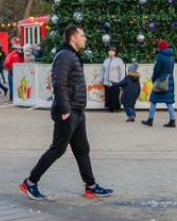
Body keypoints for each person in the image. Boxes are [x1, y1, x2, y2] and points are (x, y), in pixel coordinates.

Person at [20, 25, 113, 201]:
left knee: (82, 149)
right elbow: (59, 83)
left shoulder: (72, 56)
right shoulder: (64, 56)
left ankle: (90, 186)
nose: (85, 38)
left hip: (76, 110)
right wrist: (64, 110)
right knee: (57, 149)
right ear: (73, 38)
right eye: (82, 35)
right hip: (67, 110)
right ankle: (30, 182)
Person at [142, 40, 176, 128]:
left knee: (153, 100)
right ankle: (172, 121)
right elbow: (171, 69)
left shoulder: (160, 56)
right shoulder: (172, 56)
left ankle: (150, 120)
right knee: (169, 102)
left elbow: (157, 70)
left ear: (159, 47)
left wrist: (152, 80)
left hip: (160, 80)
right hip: (169, 79)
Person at [101, 47, 125, 113]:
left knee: (115, 95)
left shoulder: (119, 60)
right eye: (109, 50)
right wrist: (101, 79)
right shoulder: (106, 60)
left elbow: (122, 71)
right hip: (106, 81)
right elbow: (102, 71)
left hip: (116, 81)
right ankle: (110, 108)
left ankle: (117, 108)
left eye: (112, 51)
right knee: (108, 95)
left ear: (115, 52)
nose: (111, 52)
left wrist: (121, 81)